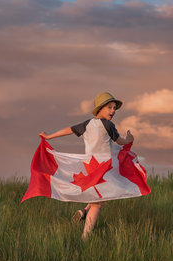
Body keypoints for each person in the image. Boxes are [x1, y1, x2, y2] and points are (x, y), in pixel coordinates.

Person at [39, 92, 134, 240]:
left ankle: (83, 212)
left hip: (89, 166)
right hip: (103, 167)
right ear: (100, 109)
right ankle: (85, 238)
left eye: (114, 108)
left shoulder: (86, 124)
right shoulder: (108, 125)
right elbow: (120, 142)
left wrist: (49, 136)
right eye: (109, 107)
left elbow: (69, 130)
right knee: (98, 204)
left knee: (97, 196)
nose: (113, 111)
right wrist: (129, 139)